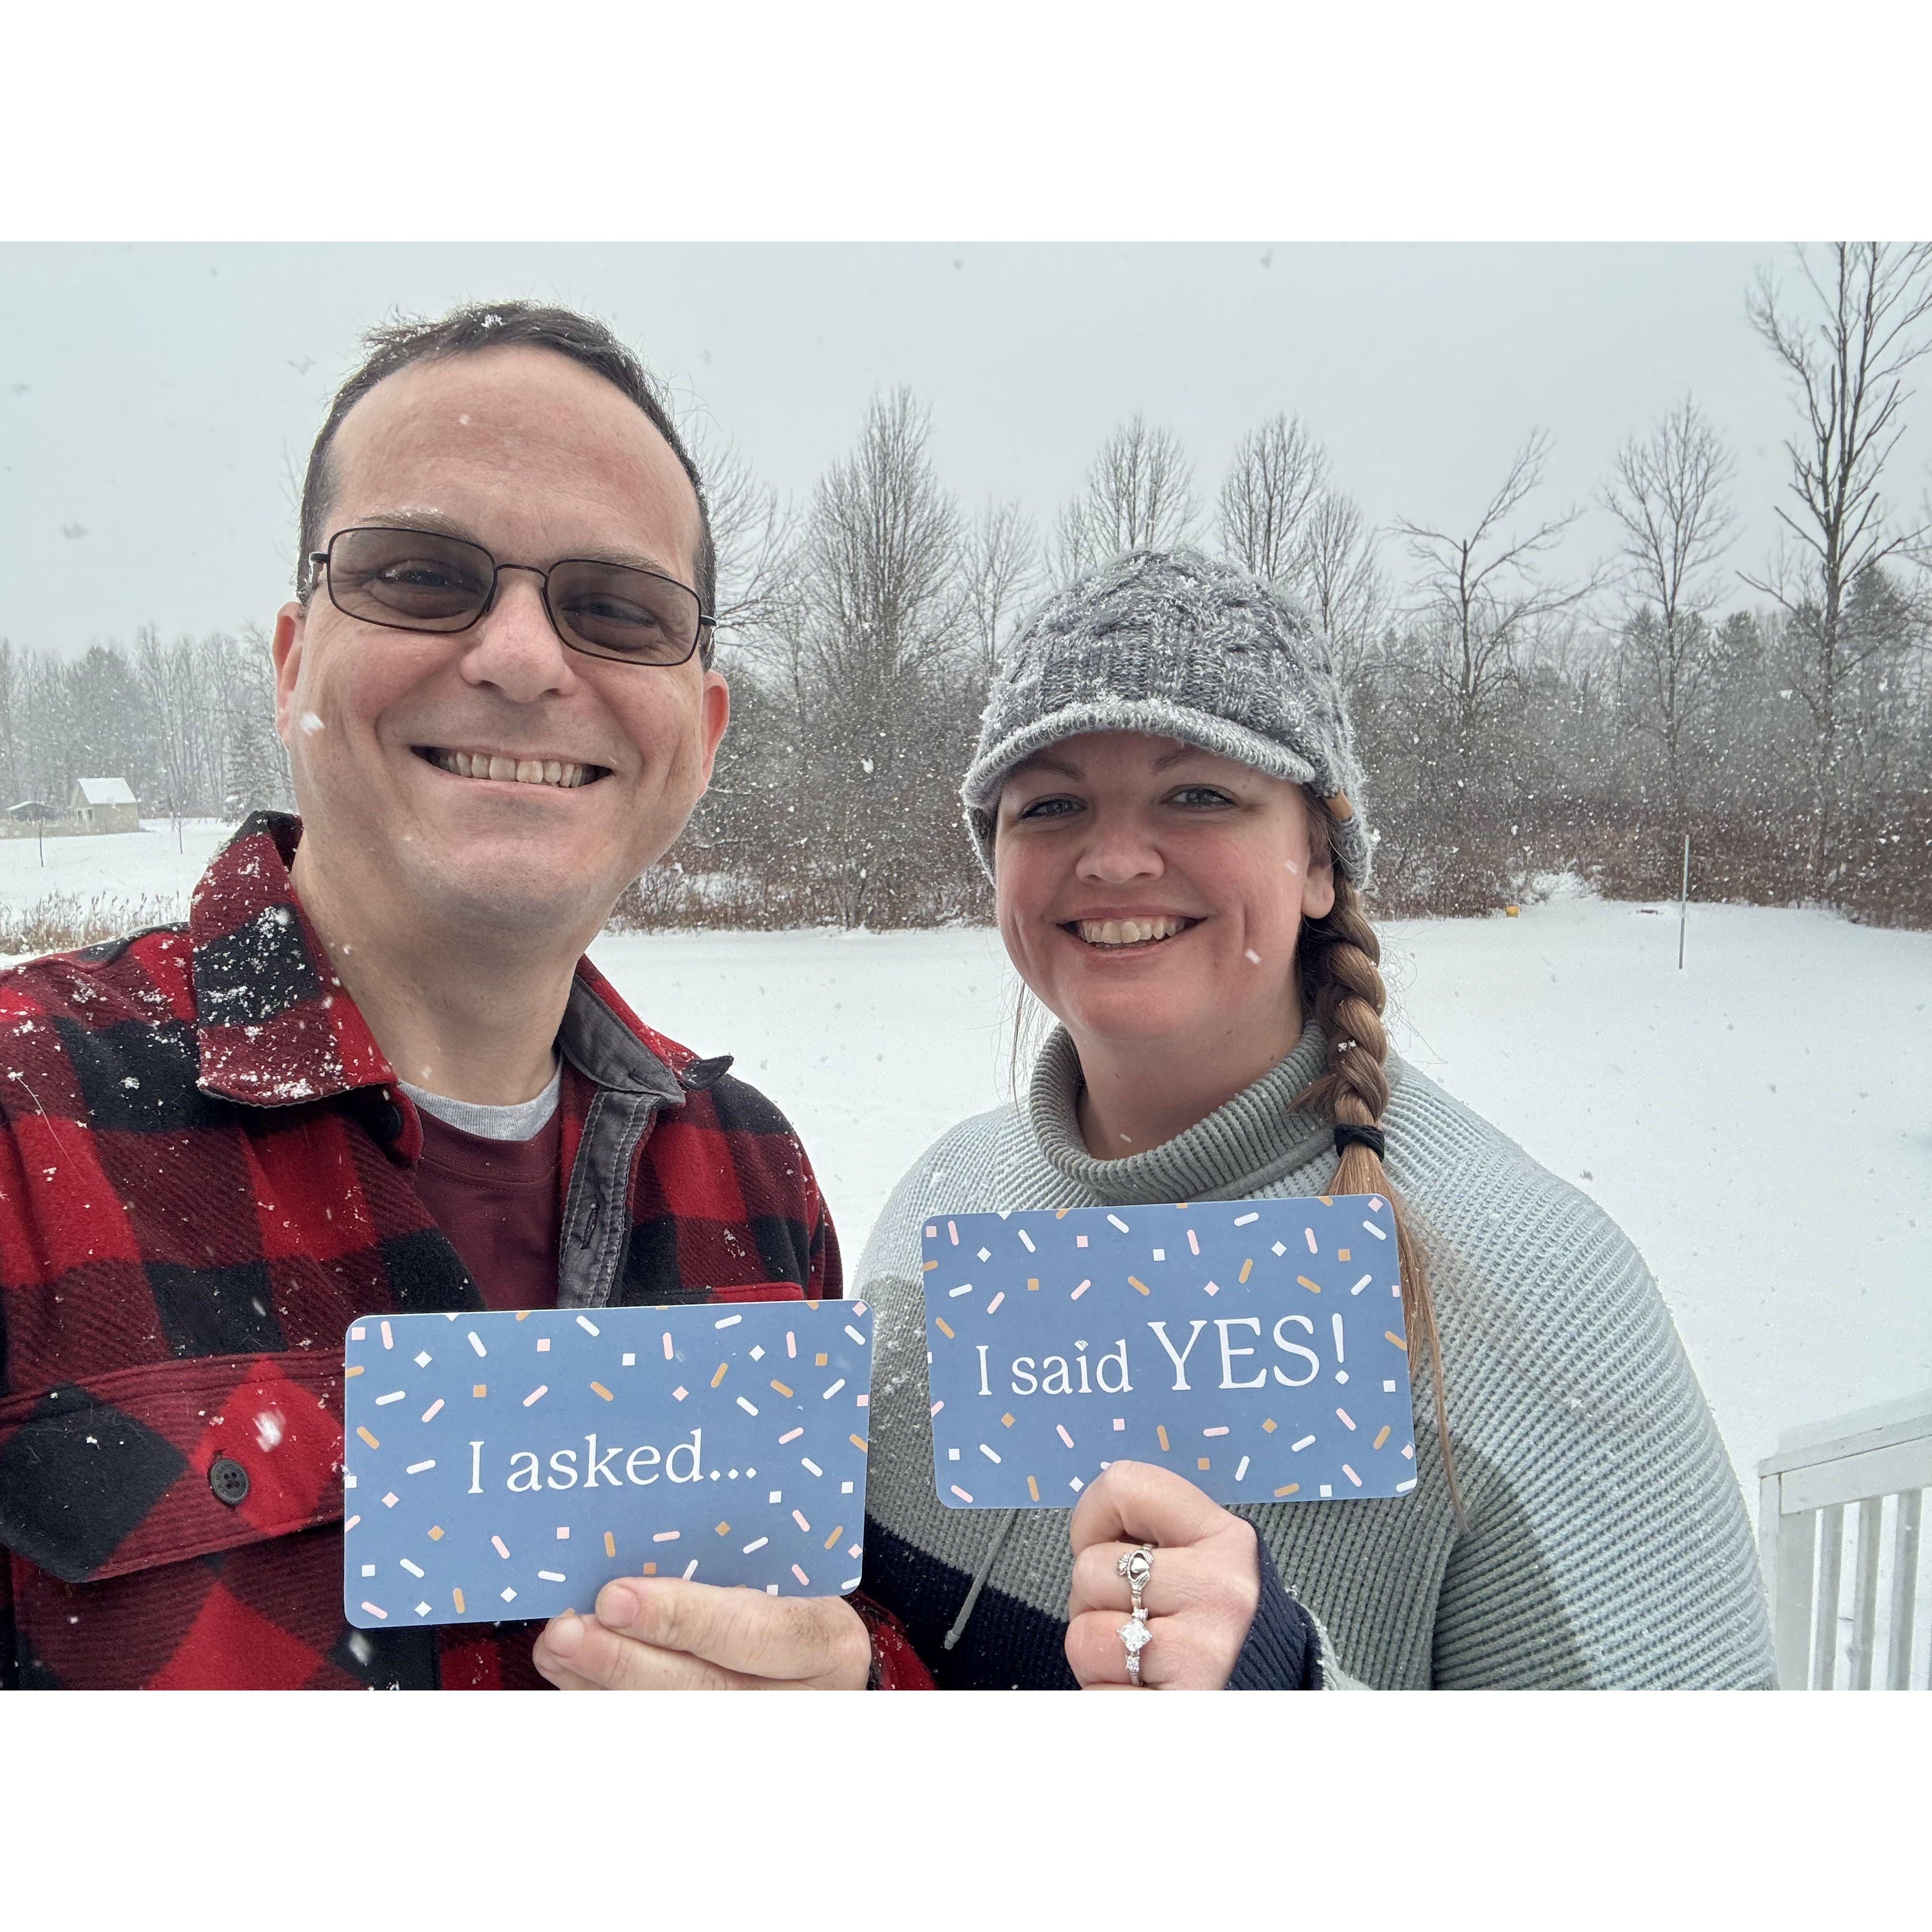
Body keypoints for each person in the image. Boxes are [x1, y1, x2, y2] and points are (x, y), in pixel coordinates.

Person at [0, 301, 921, 1690]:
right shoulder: (24, 1129)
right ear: (293, 665)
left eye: (618, 609)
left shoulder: (754, 1177)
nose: (523, 657)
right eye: (424, 577)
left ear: (701, 731)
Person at [851, 547, 1778, 1689]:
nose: (1117, 858)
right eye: (1050, 805)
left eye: (1199, 794)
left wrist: (1289, 1699)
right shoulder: (942, 1204)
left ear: (1320, 863)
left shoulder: (1539, 1292)